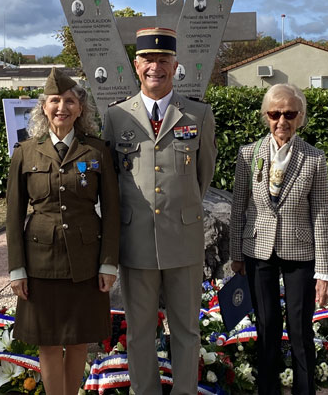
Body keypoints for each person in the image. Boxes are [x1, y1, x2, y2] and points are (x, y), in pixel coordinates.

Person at [103, 27, 217, 395]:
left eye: (163, 60)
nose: (156, 67)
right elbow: (112, 182)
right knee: (139, 332)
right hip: (135, 243)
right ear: (136, 66)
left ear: (175, 65)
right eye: (148, 60)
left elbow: (203, 177)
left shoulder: (198, 114)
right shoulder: (117, 117)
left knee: (186, 330)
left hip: (183, 240)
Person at [6, 68, 120, 395]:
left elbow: (112, 212)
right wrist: (17, 268)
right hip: (40, 262)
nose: (62, 107)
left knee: (80, 340)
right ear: (43, 107)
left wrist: (109, 263)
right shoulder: (25, 152)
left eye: (70, 101)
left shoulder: (97, 151)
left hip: (86, 261)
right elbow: (12, 215)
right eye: (55, 100)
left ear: (81, 108)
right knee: (50, 344)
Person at [229, 83, 328, 395]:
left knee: (300, 332)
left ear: (300, 117)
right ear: (266, 116)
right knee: (266, 327)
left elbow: (321, 216)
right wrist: (236, 253)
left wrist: (325, 272)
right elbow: (238, 209)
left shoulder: (315, 159)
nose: (282, 121)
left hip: (300, 252)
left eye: (290, 113)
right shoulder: (248, 154)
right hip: (257, 249)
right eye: (275, 113)